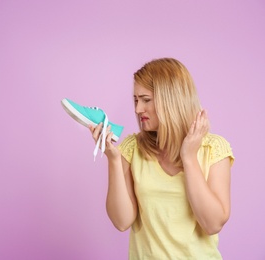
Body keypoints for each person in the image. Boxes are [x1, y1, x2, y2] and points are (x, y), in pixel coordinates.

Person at [89, 58, 234, 259]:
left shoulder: (214, 149)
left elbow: (212, 224)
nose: (138, 109)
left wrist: (189, 157)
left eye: (146, 99)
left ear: (171, 99)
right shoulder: (132, 149)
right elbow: (121, 221)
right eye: (136, 100)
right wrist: (113, 159)